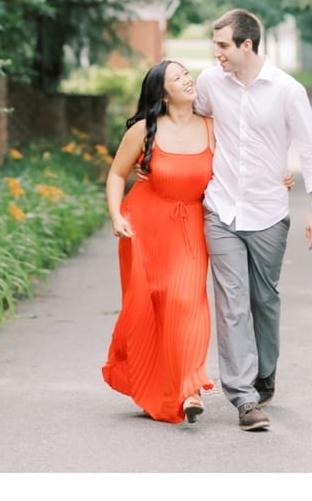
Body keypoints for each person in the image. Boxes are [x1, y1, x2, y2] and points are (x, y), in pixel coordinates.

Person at [194, 8, 312, 432]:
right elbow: (187, 118)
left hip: (269, 211)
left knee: (264, 298)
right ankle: (243, 397)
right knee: (232, 303)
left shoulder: (288, 90)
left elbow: (310, 149)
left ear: (246, 44)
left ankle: (265, 370)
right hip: (221, 209)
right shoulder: (209, 82)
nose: (215, 53)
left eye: (222, 45)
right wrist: (149, 158)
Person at [101, 60, 216, 424]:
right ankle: (157, 383)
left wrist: (278, 178)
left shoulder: (213, 128)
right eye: (177, 78)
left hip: (191, 227)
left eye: (187, 74)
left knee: (187, 302)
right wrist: (116, 215)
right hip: (145, 225)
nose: (187, 80)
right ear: (163, 94)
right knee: (151, 306)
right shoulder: (143, 130)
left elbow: (243, 165)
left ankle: (190, 386)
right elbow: (117, 174)